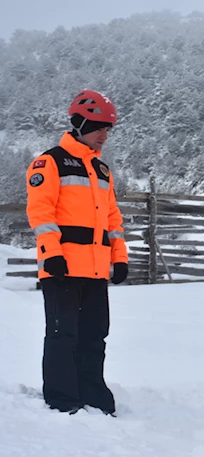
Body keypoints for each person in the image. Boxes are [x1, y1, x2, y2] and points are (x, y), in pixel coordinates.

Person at [25, 90, 128, 415]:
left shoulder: (102, 170)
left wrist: (120, 257)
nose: (104, 134)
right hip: (62, 268)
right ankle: (62, 397)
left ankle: (92, 391)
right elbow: (41, 212)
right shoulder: (50, 162)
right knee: (62, 334)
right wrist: (50, 253)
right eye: (99, 126)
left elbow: (113, 219)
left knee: (95, 335)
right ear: (80, 123)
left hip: (96, 270)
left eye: (108, 128)